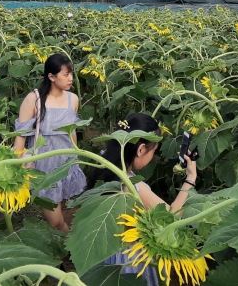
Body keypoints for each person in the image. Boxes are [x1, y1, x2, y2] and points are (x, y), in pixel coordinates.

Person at [89, 113, 198, 286]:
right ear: (140, 150)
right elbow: (171, 216)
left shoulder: (105, 163)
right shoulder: (133, 187)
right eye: (153, 150)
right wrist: (190, 179)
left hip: (104, 248)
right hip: (128, 257)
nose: (153, 156)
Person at [13, 53, 85, 233]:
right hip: (44, 166)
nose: (70, 79)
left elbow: (72, 131)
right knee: (55, 222)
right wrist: (17, 164)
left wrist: (77, 156)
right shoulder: (35, 99)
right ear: (51, 77)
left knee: (59, 209)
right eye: (65, 75)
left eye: (71, 74)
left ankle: (61, 250)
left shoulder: (73, 99)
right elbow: (22, 134)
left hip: (66, 163)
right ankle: (70, 244)